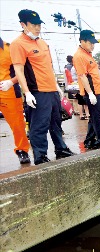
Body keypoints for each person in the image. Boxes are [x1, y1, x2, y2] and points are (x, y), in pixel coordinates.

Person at [11, 9, 74, 165]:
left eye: (39, 24)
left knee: (56, 122)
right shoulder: (18, 44)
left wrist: (58, 89)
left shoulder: (42, 43)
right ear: (23, 24)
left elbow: (49, 67)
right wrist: (27, 92)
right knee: (39, 125)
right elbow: (19, 70)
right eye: (34, 25)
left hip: (51, 90)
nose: (37, 28)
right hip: (37, 92)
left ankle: (61, 149)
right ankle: (40, 155)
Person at [73, 29, 100, 149]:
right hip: (91, 91)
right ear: (82, 41)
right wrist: (91, 94)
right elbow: (82, 76)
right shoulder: (79, 56)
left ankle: (89, 140)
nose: (93, 46)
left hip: (97, 90)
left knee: (95, 116)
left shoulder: (87, 55)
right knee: (99, 117)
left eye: (93, 43)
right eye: (90, 43)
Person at [0, 36, 31, 164]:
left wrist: (11, 82)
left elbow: (22, 70)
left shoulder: (10, 48)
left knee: (18, 124)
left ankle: (22, 150)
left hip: (8, 91)